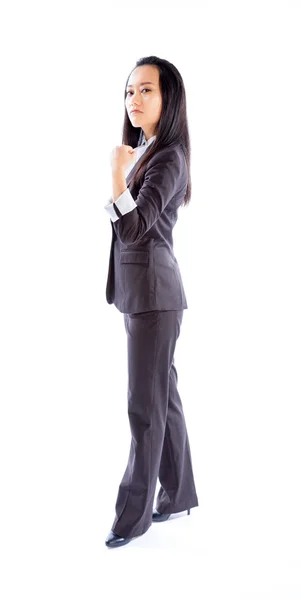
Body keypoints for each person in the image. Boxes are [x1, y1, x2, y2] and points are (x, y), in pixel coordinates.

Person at [103, 56, 199, 548]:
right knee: (163, 397)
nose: (134, 100)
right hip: (148, 296)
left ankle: (132, 518)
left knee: (144, 407)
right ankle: (178, 493)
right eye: (129, 91)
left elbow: (136, 230)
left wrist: (118, 178)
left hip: (155, 297)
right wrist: (126, 168)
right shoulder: (148, 150)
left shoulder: (168, 157)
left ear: (169, 98)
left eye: (146, 91)